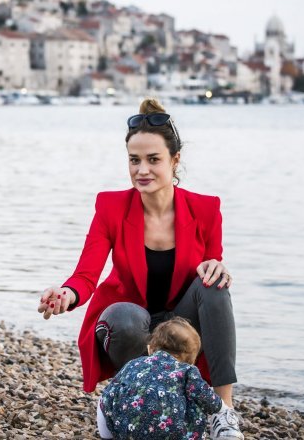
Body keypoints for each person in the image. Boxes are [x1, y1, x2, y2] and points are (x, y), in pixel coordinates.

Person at [38, 98, 243, 440]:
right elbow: (86, 275)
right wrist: (66, 294)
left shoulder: (206, 210)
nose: (142, 170)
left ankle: (222, 413)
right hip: (132, 322)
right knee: (123, 317)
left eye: (153, 160)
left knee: (214, 287)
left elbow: (212, 265)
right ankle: (130, 399)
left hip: (183, 322)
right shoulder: (110, 206)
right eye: (134, 160)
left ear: (175, 160)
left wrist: (217, 268)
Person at [97, 318, 224, 439]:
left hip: (127, 432)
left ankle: (107, 436)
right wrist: (223, 408)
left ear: (150, 348)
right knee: (195, 400)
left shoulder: (133, 364)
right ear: (191, 360)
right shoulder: (188, 371)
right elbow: (206, 397)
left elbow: (112, 389)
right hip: (175, 434)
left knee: (106, 396)